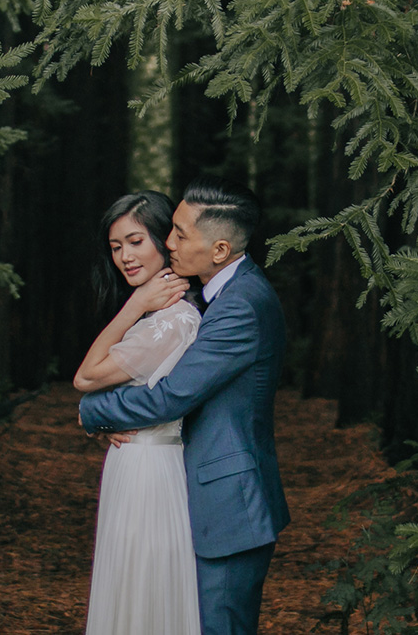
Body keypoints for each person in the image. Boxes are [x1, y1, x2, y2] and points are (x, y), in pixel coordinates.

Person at [79, 185, 289, 635]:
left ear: (219, 248)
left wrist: (94, 410)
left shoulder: (241, 306)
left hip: (231, 504)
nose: (168, 242)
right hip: (202, 491)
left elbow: (171, 397)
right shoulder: (223, 296)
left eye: (177, 233)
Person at [73, 191, 203, 635]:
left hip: (150, 467)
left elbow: (86, 378)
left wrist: (136, 304)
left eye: (135, 241)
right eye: (115, 247)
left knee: (142, 583)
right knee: (130, 581)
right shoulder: (156, 318)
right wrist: (105, 419)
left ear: (164, 241)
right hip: (138, 459)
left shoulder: (170, 320)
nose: (125, 257)